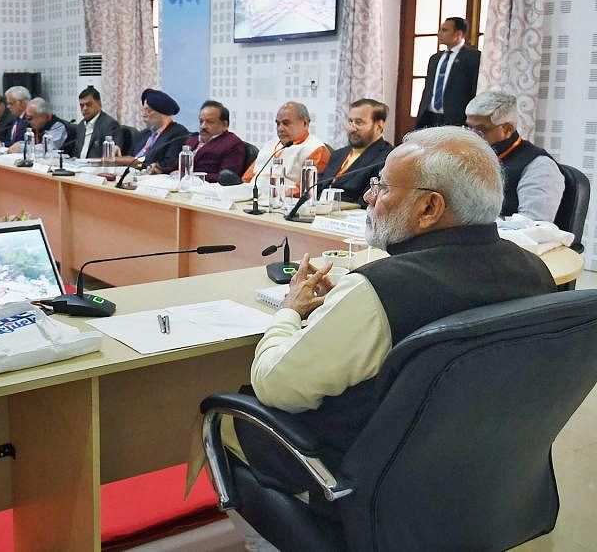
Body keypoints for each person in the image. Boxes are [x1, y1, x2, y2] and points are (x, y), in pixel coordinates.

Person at [227, 127, 555, 548]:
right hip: (484, 477)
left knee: (227, 418)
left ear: (429, 207)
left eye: (381, 186)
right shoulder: (534, 270)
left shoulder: (377, 290)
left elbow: (275, 387)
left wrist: (291, 310)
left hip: (368, 482)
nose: (368, 196)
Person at [464, 91, 564, 222]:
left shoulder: (539, 166)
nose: (473, 136)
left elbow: (533, 224)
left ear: (507, 129)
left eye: (480, 130)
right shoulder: (476, 154)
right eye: (469, 128)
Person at [323, 98, 394, 206]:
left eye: (359, 122)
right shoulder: (338, 154)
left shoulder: (388, 157)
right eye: (350, 121)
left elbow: (367, 201)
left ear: (379, 126)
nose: (352, 128)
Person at [241, 101, 330, 186]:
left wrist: (272, 195)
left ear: (305, 123)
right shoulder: (270, 145)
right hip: (253, 197)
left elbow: (305, 190)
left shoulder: (315, 149)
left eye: (286, 123)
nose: (280, 129)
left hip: (283, 199)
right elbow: (247, 178)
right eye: (278, 124)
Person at [414, 17, 481, 128]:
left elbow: (474, 91)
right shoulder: (435, 58)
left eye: (444, 30)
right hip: (430, 117)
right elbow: (429, 88)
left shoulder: (473, 58)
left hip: (456, 119)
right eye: (440, 30)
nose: (439, 34)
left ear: (458, 33)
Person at [179, 100, 246, 180]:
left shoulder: (233, 144)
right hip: (184, 184)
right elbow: (178, 166)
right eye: (201, 121)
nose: (203, 126)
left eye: (210, 122)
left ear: (225, 125)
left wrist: (193, 176)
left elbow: (226, 178)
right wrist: (162, 170)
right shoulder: (193, 139)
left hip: (208, 189)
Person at [134, 89, 189, 174]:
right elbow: (132, 156)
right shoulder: (144, 134)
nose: (143, 115)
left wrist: (131, 162)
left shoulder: (178, 134)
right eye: (143, 110)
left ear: (162, 112)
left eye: (148, 110)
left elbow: (167, 164)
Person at [70, 86, 128, 159]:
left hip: (97, 168)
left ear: (99, 104)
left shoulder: (110, 125)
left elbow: (111, 156)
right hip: (78, 168)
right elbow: (76, 153)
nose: (84, 108)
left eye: (88, 104)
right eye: (81, 105)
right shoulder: (81, 125)